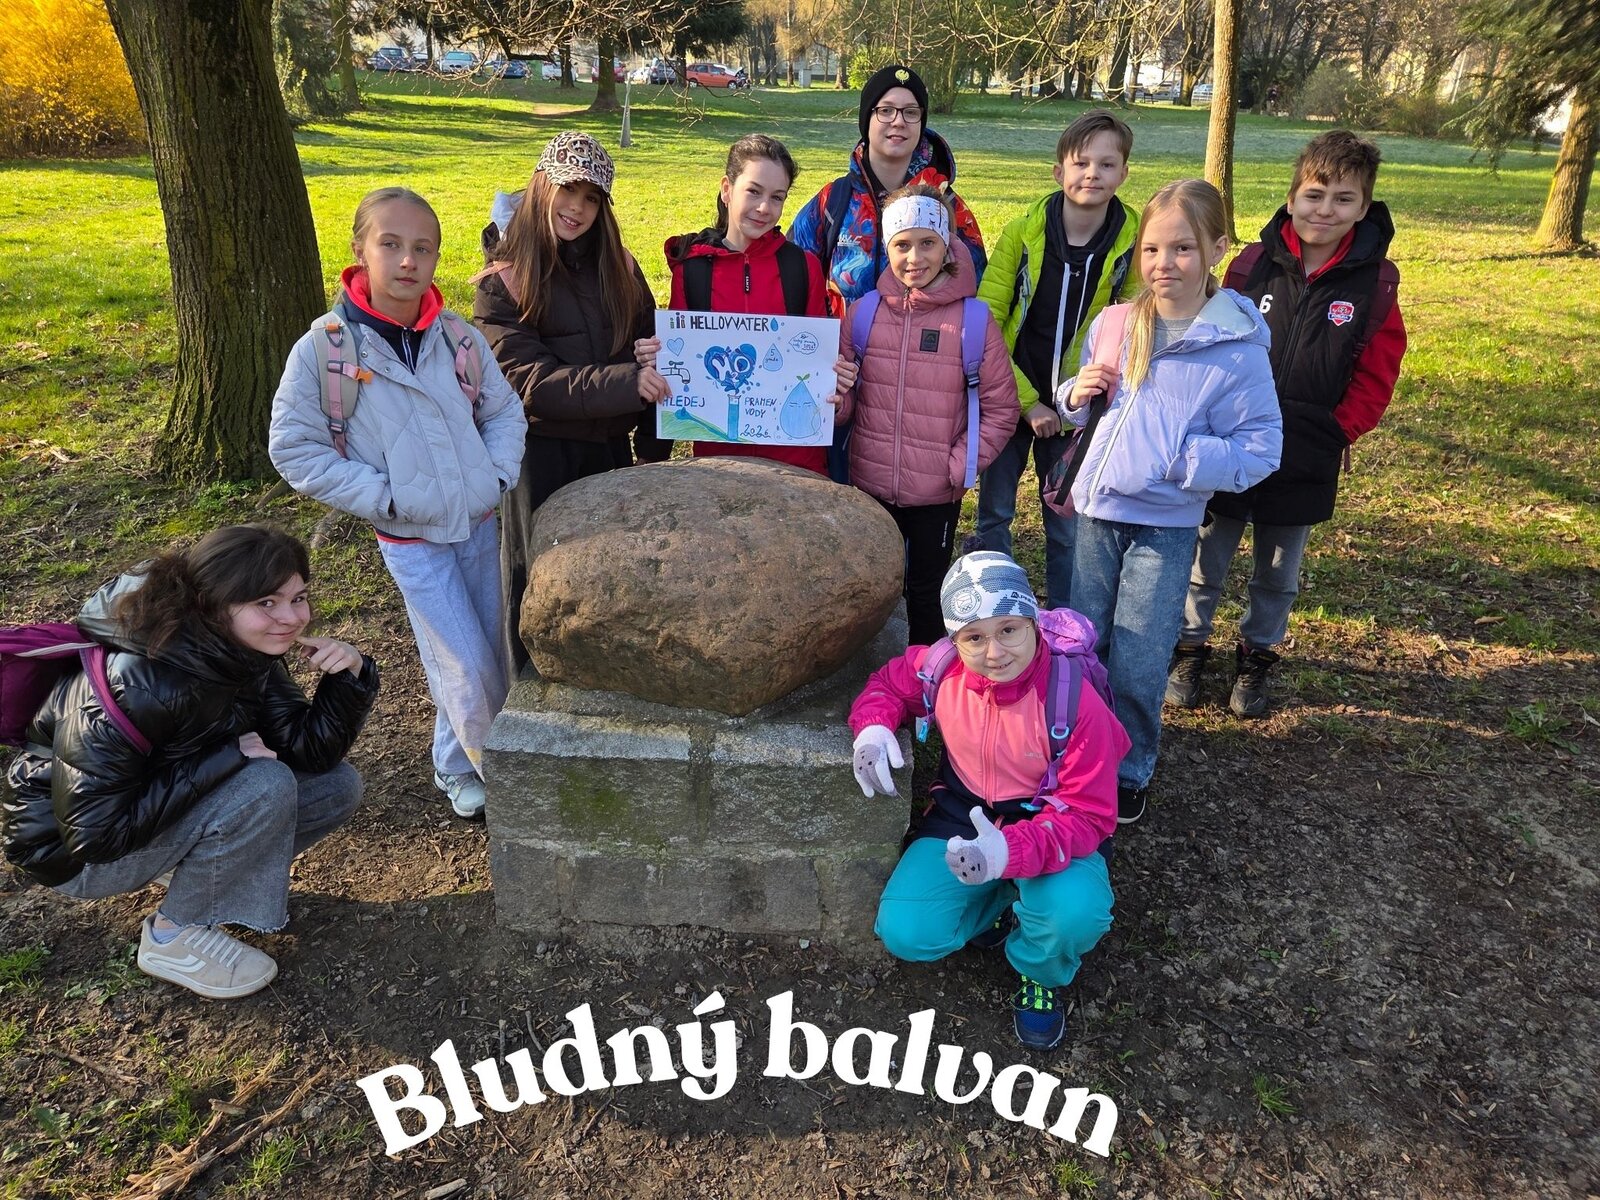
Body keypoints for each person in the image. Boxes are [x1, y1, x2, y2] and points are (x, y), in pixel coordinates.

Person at [1, 525, 379, 1000]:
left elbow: (311, 752)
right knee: (263, 784)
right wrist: (227, 758)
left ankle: (202, 878)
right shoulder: (138, 682)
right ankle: (171, 937)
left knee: (335, 787)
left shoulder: (240, 651)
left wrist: (349, 678)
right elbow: (94, 836)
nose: (290, 618)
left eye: (298, 598)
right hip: (68, 855)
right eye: (266, 602)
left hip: (142, 816)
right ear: (212, 603)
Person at [270, 186, 526, 821]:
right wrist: (385, 498)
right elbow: (295, 449)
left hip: (477, 525)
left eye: (423, 248)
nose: (408, 260)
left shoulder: (458, 339)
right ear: (360, 249)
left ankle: (453, 763)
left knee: (485, 653)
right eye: (391, 244)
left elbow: (503, 413)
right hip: (413, 542)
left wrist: (495, 476)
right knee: (464, 665)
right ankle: (506, 783)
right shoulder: (327, 350)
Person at [1055, 179, 1282, 825]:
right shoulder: (1116, 323)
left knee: (1139, 654)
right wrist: (1074, 394)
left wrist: (1180, 460)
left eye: (1182, 248)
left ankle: (1129, 768)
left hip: (1163, 527)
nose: (1164, 263)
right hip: (1097, 515)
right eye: (1152, 248)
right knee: (1081, 642)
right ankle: (1076, 751)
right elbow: (1083, 405)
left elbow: (1261, 448)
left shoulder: (1235, 349)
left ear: (1217, 249)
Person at [1168, 131, 1406, 718]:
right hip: (1230, 442)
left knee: (1277, 572)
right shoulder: (1252, 264)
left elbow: (1378, 371)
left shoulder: (1375, 283)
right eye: (1314, 195)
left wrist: (1338, 431)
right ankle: (1189, 647)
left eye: (1344, 199)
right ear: (1293, 196)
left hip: (1306, 451)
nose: (1325, 210)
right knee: (1205, 560)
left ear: (1365, 206)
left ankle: (1257, 655)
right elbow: (1212, 337)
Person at [849, 552, 1129, 1050]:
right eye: (974, 637)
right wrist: (872, 728)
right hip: (963, 812)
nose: (995, 652)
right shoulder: (941, 669)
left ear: (1033, 622)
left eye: (1009, 630)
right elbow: (889, 683)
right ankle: (1004, 899)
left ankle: (1040, 968)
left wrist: (1007, 852)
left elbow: (1088, 813)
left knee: (1073, 913)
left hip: (1053, 822)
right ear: (955, 640)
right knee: (906, 931)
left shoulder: (1074, 701)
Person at [472, 132, 672, 675]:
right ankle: (529, 689)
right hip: (539, 458)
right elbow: (526, 382)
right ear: (542, 185)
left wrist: (652, 447)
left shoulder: (621, 267)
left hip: (609, 453)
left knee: (609, 580)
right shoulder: (503, 280)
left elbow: (653, 356)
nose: (577, 208)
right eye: (567, 190)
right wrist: (627, 381)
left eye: (591, 198)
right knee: (536, 584)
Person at [789, 64, 988, 482]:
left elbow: (972, 285)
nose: (898, 121)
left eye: (911, 112)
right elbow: (792, 276)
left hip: (918, 392)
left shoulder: (948, 207)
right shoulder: (833, 201)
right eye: (886, 110)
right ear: (868, 119)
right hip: (841, 383)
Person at [840, 184, 1019, 646]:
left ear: (947, 246)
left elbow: (1001, 407)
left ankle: (924, 674)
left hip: (936, 492)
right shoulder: (863, 315)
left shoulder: (973, 321)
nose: (914, 257)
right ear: (886, 248)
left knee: (926, 591)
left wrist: (959, 465)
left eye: (927, 243)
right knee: (869, 586)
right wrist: (835, 399)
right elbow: (846, 404)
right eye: (902, 245)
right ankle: (872, 673)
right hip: (870, 484)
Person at [975, 110, 1140, 609]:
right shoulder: (1021, 234)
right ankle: (994, 609)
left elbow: (1133, 327)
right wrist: (1027, 403)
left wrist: (1080, 402)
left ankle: (1067, 623)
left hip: (1079, 412)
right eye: (1081, 162)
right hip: (1009, 399)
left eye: (1106, 164)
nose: (1092, 174)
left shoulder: (1133, 244)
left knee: (1067, 527)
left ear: (1124, 173)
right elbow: (985, 323)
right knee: (995, 514)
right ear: (1058, 171)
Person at [641, 133, 855, 476]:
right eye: (753, 191)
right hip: (719, 463)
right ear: (727, 189)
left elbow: (818, 363)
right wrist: (656, 359)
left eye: (777, 197)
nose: (764, 208)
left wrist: (835, 387)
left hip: (796, 463)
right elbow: (680, 362)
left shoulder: (803, 268)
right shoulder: (692, 270)